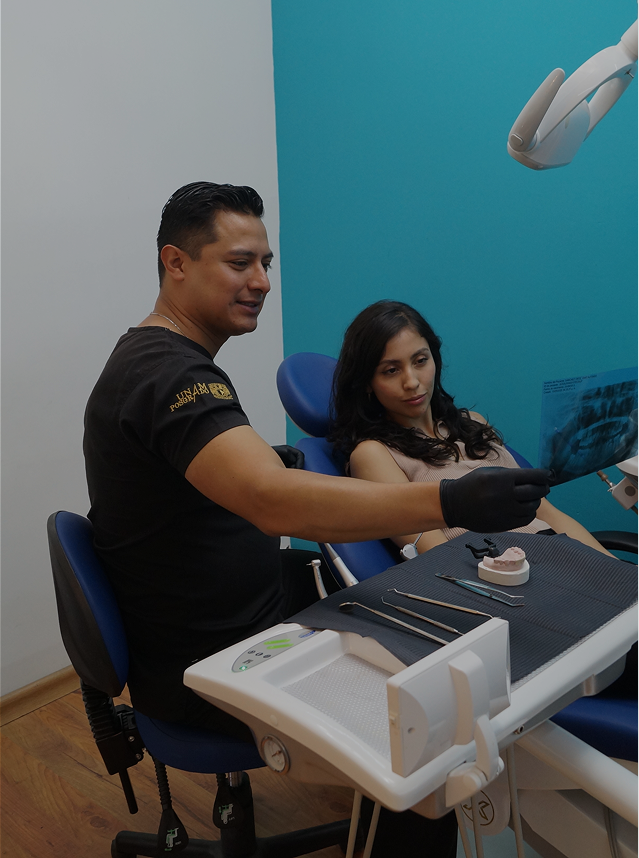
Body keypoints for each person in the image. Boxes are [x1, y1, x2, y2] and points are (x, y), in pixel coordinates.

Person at [84, 183, 551, 739]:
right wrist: (450, 499)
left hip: (243, 608)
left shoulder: (157, 359)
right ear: (176, 262)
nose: (261, 281)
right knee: (432, 719)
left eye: (265, 263)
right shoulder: (169, 375)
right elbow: (269, 500)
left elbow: (231, 473)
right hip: (215, 656)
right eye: (240, 263)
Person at [329, 300, 614, 557]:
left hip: (559, 554)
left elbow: (549, 514)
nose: (412, 381)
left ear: (435, 359)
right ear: (367, 382)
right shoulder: (373, 455)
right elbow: (436, 556)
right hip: (505, 576)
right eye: (391, 370)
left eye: (420, 361)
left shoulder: (473, 423)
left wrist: (617, 571)